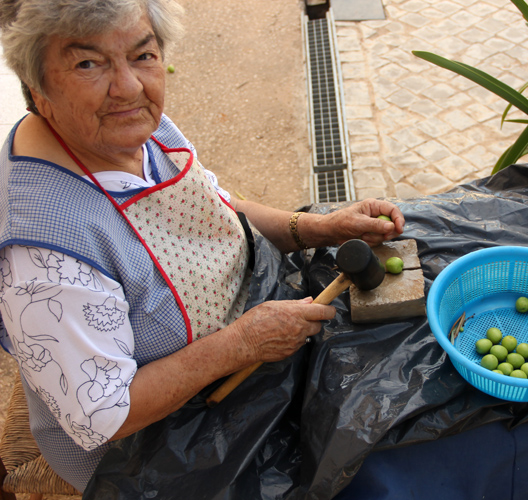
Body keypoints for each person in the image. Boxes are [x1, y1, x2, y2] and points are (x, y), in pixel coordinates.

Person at [0, 0, 405, 491]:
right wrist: (242, 343)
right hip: (160, 443)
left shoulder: (129, 130)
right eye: (88, 63)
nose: (129, 87)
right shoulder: (44, 254)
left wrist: (319, 227)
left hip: (256, 348)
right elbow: (104, 414)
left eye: (142, 55)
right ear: (36, 85)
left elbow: (215, 205)